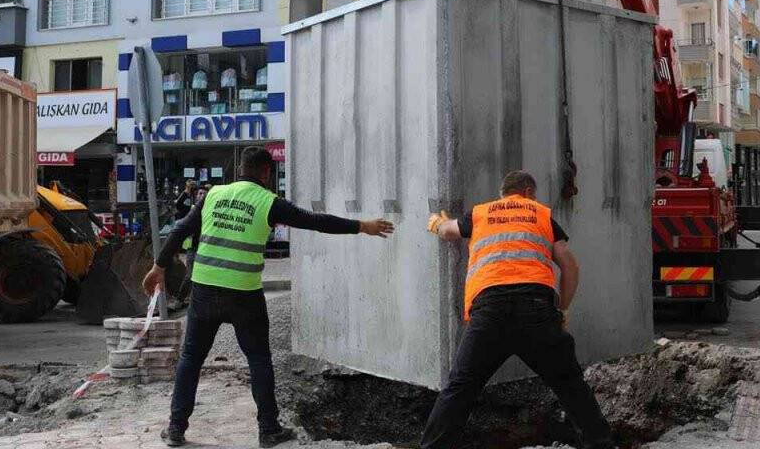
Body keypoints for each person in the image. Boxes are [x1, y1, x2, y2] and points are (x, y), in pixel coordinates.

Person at [142, 147, 393, 448]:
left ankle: (175, 429)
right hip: (244, 294)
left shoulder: (212, 195)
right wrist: (361, 226)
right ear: (266, 173)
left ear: (240, 170)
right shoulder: (268, 202)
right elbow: (314, 221)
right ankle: (268, 430)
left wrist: (158, 268)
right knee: (259, 359)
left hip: (205, 290)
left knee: (191, 359)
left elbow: (180, 230)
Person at [420, 171, 613, 449]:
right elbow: (569, 265)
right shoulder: (541, 214)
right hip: (536, 310)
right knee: (570, 384)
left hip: (489, 312)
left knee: (460, 387)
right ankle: (601, 444)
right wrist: (562, 309)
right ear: (527, 192)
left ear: (504, 193)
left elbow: (448, 231)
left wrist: (437, 223)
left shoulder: (481, 213)